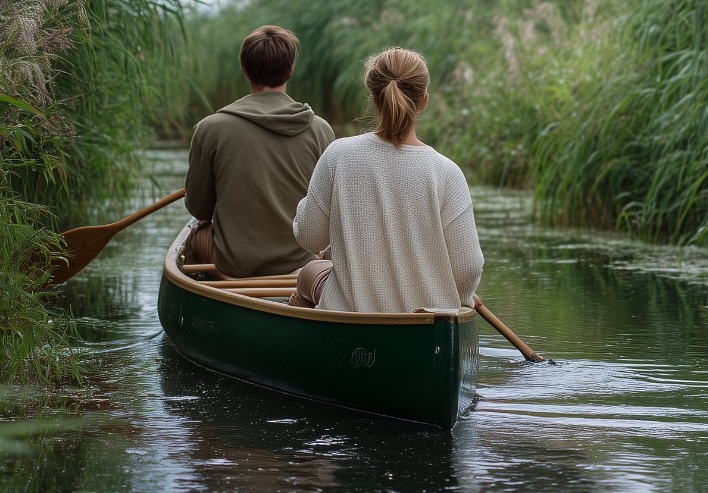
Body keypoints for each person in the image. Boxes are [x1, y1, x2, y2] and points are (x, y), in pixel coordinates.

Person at [289, 46, 483, 312]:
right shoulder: (447, 172)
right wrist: (463, 296)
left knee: (310, 271)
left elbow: (310, 238)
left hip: (350, 321)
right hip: (428, 328)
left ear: (374, 99)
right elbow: (468, 267)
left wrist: (306, 205)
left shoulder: (338, 154)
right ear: (424, 101)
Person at [183, 25, 335, 278]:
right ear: (291, 70)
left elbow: (199, 209)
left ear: (244, 69)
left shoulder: (209, 129)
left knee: (196, 233)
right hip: (301, 262)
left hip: (234, 263)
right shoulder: (321, 130)